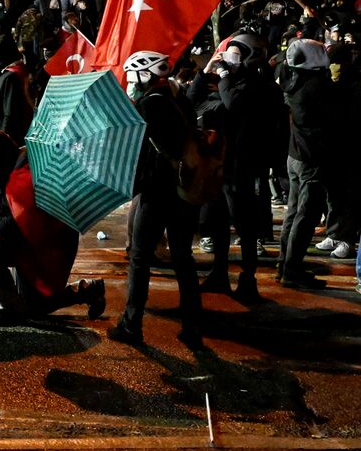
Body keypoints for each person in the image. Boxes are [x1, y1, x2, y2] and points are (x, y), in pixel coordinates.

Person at [108, 51, 203, 348]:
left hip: (156, 191)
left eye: (133, 76)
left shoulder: (150, 105)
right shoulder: (179, 98)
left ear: (145, 74)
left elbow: (131, 144)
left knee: (140, 257)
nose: (130, 82)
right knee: (183, 259)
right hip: (184, 191)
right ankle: (193, 327)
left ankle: (131, 324)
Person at [0, 130, 106, 325]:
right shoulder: (17, 168)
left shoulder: (23, 179)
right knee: (33, 307)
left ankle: (11, 310)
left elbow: (14, 226)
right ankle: (89, 289)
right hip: (37, 241)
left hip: (47, 246)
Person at [198, 32, 279, 301]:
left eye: (237, 54)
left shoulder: (260, 85)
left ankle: (248, 277)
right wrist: (207, 72)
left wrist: (223, 77)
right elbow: (191, 98)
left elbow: (234, 103)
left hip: (242, 163)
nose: (230, 60)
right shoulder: (229, 80)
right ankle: (219, 274)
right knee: (218, 219)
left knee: (243, 222)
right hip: (220, 161)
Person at [277, 37, 335, 289]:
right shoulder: (318, 86)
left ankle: (285, 264)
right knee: (306, 214)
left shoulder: (290, 78)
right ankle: (292, 270)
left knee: (293, 212)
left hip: (295, 154)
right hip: (312, 158)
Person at [0, 35, 35, 146]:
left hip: (6, 137)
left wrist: (4, 138)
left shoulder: (10, 77)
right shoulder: (20, 71)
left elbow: (9, 112)